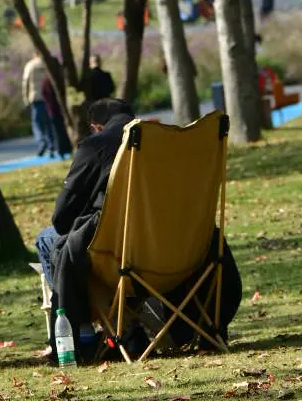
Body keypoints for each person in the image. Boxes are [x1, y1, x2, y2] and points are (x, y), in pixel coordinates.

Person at [35, 99, 241, 361]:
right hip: (186, 255)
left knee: (46, 239)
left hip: (123, 262)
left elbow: (62, 218)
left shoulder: (96, 145)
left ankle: (83, 334)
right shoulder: (171, 145)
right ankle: (126, 328)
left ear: (96, 127)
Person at [23, 55, 55, 157]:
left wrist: (26, 99)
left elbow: (25, 82)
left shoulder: (30, 65)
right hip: (48, 98)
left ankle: (42, 142)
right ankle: (51, 147)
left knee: (36, 124)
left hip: (36, 98)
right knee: (49, 123)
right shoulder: (47, 64)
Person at [41, 73, 72, 159]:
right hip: (61, 109)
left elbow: (44, 95)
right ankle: (67, 149)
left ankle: (60, 150)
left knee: (57, 131)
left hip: (52, 110)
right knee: (63, 130)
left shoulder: (46, 82)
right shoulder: (59, 79)